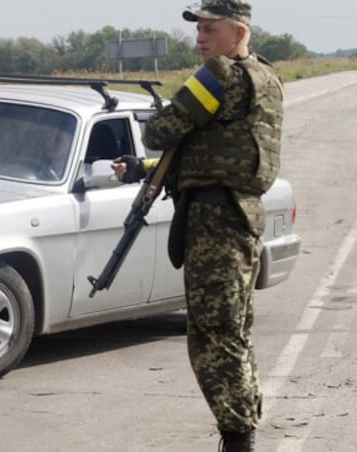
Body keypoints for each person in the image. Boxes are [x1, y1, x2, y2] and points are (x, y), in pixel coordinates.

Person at [112, 1, 283, 451]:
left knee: (212, 337)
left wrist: (156, 138)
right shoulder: (266, 76)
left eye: (210, 29)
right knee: (234, 331)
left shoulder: (220, 74)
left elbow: (161, 129)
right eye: (199, 30)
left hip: (215, 221)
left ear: (238, 32)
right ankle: (241, 427)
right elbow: (218, 151)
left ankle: (239, 437)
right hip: (240, 214)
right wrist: (142, 168)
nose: (200, 38)